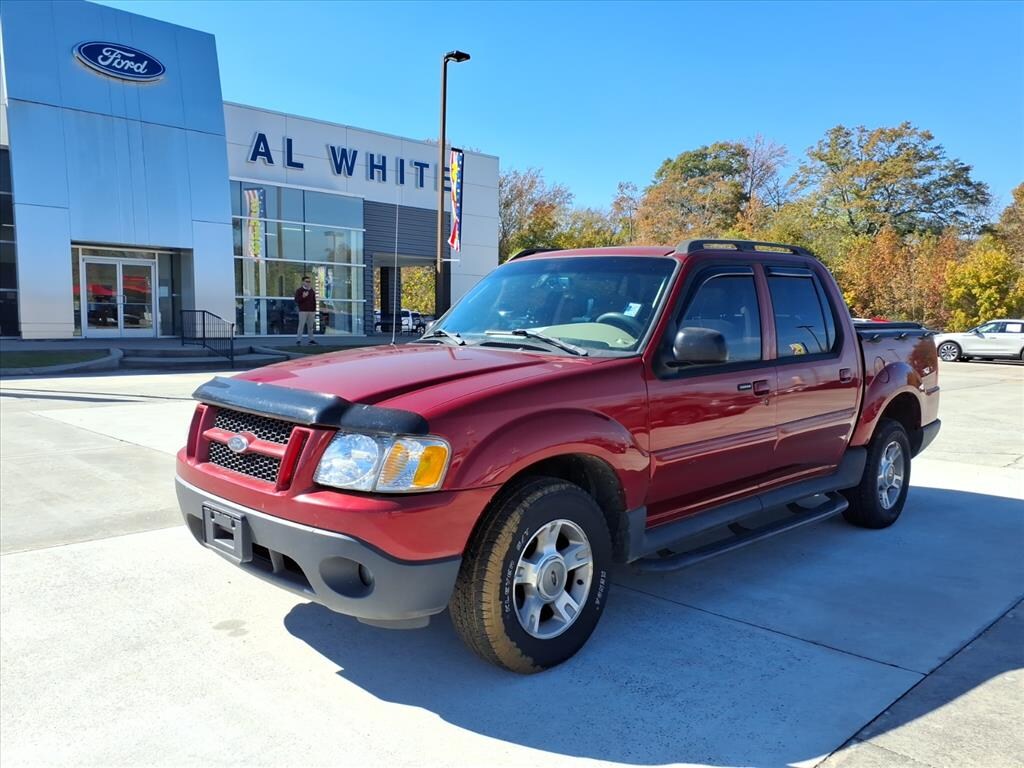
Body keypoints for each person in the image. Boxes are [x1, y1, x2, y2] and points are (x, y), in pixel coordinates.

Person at [294, 275, 318, 345]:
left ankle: (311, 340)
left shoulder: (311, 291)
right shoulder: (299, 290)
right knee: (301, 326)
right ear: (303, 282)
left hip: (311, 311)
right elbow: (296, 300)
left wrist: (314, 310)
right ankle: (298, 340)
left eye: (309, 282)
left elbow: (314, 301)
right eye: (307, 281)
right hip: (303, 311)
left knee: (310, 326)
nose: (308, 283)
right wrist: (303, 296)